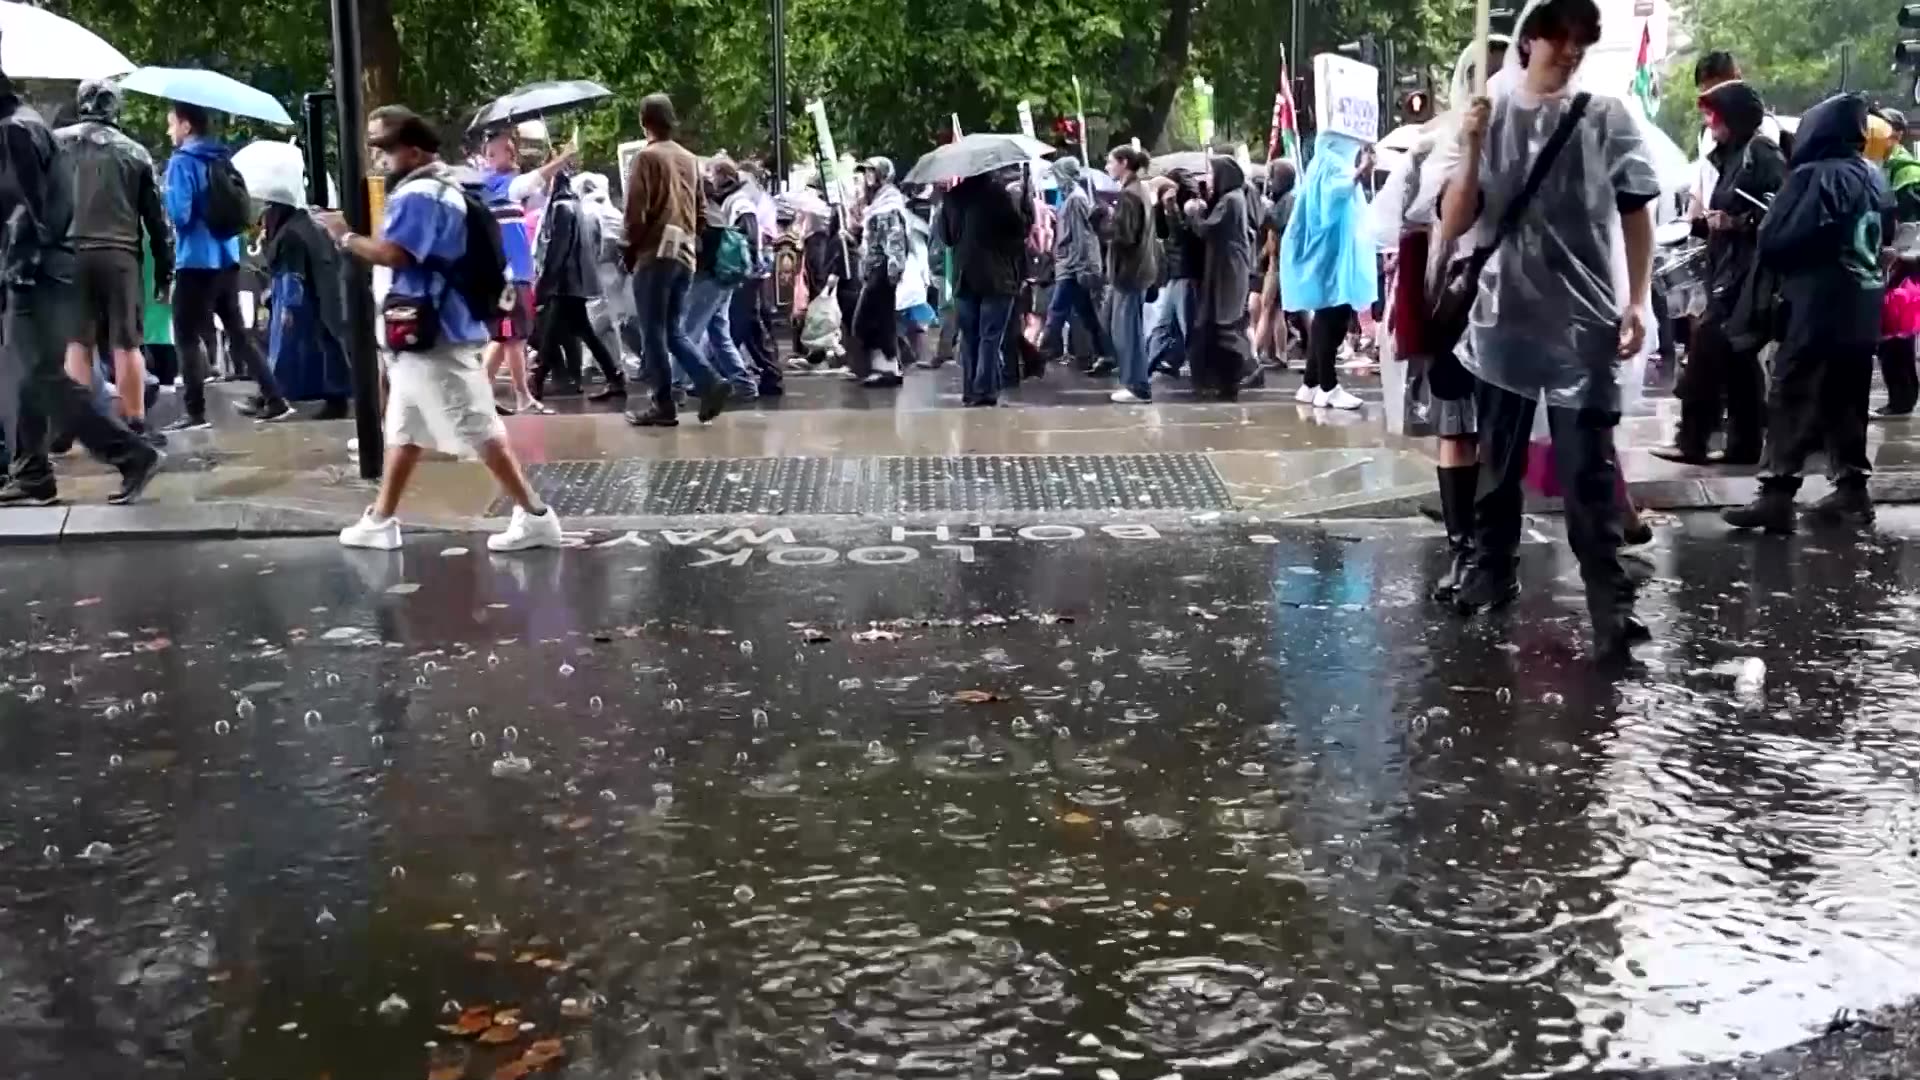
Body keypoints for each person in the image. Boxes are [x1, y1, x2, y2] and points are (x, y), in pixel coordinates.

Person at [1438, 0, 1659, 658]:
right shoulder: (1489, 115)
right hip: (1502, 321)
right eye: (1559, 37)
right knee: (1497, 464)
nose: (1570, 51)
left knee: (1589, 471)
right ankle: (1490, 570)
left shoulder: (1605, 117)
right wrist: (1471, 148)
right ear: (1528, 42)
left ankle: (1610, 604)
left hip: (1584, 326)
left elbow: (1636, 212)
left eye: (1581, 41)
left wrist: (1638, 300)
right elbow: (1454, 221)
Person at [318, 106, 561, 551]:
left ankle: (536, 515)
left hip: (436, 334)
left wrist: (344, 236)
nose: (380, 160)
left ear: (413, 152)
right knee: (405, 431)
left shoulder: (420, 195)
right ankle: (380, 519)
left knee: (479, 428)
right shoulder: (443, 188)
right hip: (430, 333)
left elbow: (397, 254)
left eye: (385, 150)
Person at [1722, 94, 1888, 533]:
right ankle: (1853, 490)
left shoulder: (1815, 176)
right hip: (1863, 305)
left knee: (1792, 395)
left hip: (1817, 306)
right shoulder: (1873, 175)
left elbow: (1778, 241)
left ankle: (1777, 495)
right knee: (1847, 400)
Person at [0, 67, 162, 507]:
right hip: (65, 263)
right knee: (29, 373)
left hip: (34, 269)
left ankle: (129, 453)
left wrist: (19, 266)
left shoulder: (19, 131)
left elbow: (29, 213)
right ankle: (33, 471)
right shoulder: (29, 125)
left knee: (44, 374)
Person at [1652, 79, 1784, 465]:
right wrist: (1701, 224)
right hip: (1726, 269)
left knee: (1707, 354)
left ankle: (1693, 440)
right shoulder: (1730, 157)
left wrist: (1737, 223)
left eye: (1715, 115)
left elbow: (1778, 210)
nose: (1710, 123)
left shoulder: (1761, 153)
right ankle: (1743, 445)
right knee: (1737, 359)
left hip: (1745, 275)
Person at [54, 80, 172, 442]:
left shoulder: (55, 145)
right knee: (127, 341)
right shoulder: (135, 153)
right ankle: (134, 422)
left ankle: (77, 425)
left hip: (70, 253)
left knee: (77, 342)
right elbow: (157, 221)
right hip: (120, 255)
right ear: (114, 108)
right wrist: (165, 270)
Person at [160, 102, 288, 430]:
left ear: (187, 126)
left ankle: (195, 412)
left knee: (186, 335)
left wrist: (167, 197)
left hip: (195, 260)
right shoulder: (221, 158)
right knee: (238, 333)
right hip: (227, 258)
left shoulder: (182, 162)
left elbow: (180, 215)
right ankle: (274, 398)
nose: (169, 131)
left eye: (172, 124)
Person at [623, 93, 729, 427]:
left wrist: (629, 249)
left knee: (653, 332)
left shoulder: (645, 158)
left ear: (644, 121)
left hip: (653, 254)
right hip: (685, 255)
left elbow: (635, 213)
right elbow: (701, 210)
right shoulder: (690, 159)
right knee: (672, 330)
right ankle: (709, 382)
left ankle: (663, 404)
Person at [1281, 127, 1376, 411]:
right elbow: (1333, 199)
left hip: (1326, 257)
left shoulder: (1322, 163)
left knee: (1327, 316)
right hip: (1329, 258)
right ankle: (1328, 386)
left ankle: (1311, 383)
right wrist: (1360, 172)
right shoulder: (1332, 164)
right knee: (1332, 319)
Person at [477, 129, 564, 412]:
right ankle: (522, 396)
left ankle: (480, 394)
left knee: (505, 337)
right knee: (514, 337)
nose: (513, 154)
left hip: (512, 275)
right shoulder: (502, 185)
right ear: (489, 158)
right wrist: (561, 160)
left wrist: (553, 167)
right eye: (505, 150)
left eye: (512, 148)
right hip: (510, 277)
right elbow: (532, 180)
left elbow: (536, 186)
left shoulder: (495, 188)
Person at [258, 172, 351, 419]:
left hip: (308, 298)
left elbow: (291, 275)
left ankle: (276, 396)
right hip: (324, 294)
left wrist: (288, 307)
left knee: (293, 349)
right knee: (327, 346)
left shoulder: (290, 234)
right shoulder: (306, 224)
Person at [937, 167, 1031, 406]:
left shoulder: (952, 197)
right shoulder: (998, 196)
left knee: (970, 337)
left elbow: (946, 237)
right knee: (990, 336)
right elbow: (1018, 232)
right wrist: (1026, 209)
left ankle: (971, 390)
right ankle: (984, 390)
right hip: (996, 277)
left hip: (964, 276)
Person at [529, 172, 624, 404]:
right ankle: (614, 377)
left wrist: (545, 281)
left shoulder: (561, 207)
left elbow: (558, 248)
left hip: (564, 281)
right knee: (584, 332)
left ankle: (538, 379)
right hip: (575, 280)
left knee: (551, 332)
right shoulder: (575, 205)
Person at [680, 157, 762, 400]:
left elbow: (703, 247)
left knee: (688, 333)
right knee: (719, 334)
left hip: (711, 278)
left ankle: (677, 385)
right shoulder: (718, 206)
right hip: (723, 277)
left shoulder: (713, 211)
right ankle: (744, 384)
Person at [1183, 153, 1256, 399]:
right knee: (1224, 324)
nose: (1210, 178)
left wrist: (1193, 214)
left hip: (1228, 269)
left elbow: (1207, 229)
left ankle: (1243, 369)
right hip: (1226, 267)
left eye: (1213, 173)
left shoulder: (1231, 199)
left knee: (1226, 324)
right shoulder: (1234, 197)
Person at [1039, 156, 1112, 365]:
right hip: (1071, 263)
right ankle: (1106, 353)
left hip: (1072, 265)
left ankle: (1042, 353)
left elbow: (1082, 236)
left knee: (1057, 310)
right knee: (1086, 314)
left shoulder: (1076, 199)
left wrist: (1082, 266)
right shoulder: (1072, 198)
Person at [573, 171, 645, 377]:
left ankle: (590, 361)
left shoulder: (587, 210)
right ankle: (615, 363)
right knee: (615, 317)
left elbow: (594, 244)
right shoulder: (611, 210)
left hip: (603, 269)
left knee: (602, 317)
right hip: (621, 268)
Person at [1874, 108, 1920, 419]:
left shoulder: (1907, 172)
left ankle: (1902, 399)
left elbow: (1913, 222)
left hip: (1904, 262)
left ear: (1898, 135)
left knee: (1898, 331)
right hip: (1887, 259)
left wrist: (1898, 254)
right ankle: (1899, 396)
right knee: (1889, 331)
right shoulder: (1880, 166)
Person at [1104, 145, 1160, 404]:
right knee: (1126, 329)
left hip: (1129, 272)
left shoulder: (1129, 195)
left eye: (1110, 162)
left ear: (1124, 162)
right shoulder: (1140, 190)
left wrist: (1103, 223)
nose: (1107, 167)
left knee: (1127, 332)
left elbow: (1124, 237)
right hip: (1138, 270)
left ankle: (1137, 385)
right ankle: (1135, 382)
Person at [849, 156, 908, 387]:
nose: (867, 177)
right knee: (879, 319)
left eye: (871, 172)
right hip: (874, 269)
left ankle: (888, 366)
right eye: (866, 172)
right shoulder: (876, 203)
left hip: (882, 270)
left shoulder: (888, 204)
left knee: (868, 320)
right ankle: (886, 367)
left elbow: (895, 240)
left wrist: (893, 270)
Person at [1146, 168, 1204, 378]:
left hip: (1186, 273)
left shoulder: (1192, 207)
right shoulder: (1171, 208)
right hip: (1176, 273)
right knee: (1165, 324)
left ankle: (1197, 365)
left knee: (1186, 325)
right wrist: (1161, 207)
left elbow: (1183, 237)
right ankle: (1150, 365)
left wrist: (1171, 209)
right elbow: (1162, 232)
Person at [1246, 159, 1298, 386]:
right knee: (1275, 311)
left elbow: (1276, 223)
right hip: (1277, 261)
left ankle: (1254, 357)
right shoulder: (1286, 199)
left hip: (1279, 263)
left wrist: (1264, 208)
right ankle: (1280, 354)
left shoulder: (1288, 201)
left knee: (1267, 308)